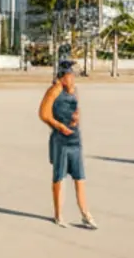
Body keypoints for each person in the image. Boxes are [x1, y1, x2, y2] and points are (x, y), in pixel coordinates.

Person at [38, 60, 96, 229]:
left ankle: (85, 213)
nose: (73, 79)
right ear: (62, 76)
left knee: (80, 177)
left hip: (75, 138)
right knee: (59, 177)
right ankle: (58, 214)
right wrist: (59, 126)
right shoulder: (54, 90)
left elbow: (75, 108)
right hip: (61, 140)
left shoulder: (74, 90)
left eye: (73, 75)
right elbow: (43, 114)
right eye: (70, 75)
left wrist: (76, 117)